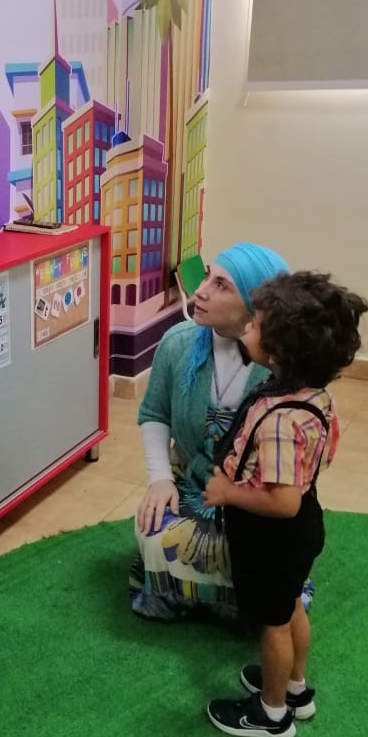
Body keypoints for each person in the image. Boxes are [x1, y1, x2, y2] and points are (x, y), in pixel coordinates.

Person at [203, 271, 368, 737]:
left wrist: (227, 493)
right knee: (292, 603)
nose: (247, 328)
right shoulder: (313, 395)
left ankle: (271, 715)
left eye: (255, 326)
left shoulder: (281, 421)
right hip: (302, 529)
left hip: (271, 536)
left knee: (273, 623)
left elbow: (282, 501)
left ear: (277, 353)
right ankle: (295, 687)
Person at [131, 242, 289, 621]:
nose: (200, 292)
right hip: (192, 481)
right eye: (207, 277)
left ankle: (243, 606)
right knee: (154, 532)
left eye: (221, 285)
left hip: (254, 494)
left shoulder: (282, 364)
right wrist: (160, 479)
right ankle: (190, 599)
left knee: (266, 553)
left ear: (255, 306)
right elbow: (154, 413)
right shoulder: (178, 343)